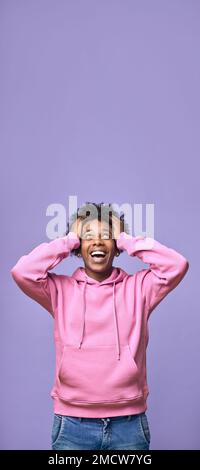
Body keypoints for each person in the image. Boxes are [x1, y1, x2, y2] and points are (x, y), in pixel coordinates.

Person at [11, 202, 189, 450]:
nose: (97, 242)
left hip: (129, 424)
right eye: (88, 237)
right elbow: (23, 271)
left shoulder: (138, 289)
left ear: (116, 247)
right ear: (78, 247)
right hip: (72, 424)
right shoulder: (60, 290)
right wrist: (70, 238)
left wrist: (125, 238)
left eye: (106, 236)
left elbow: (176, 265)